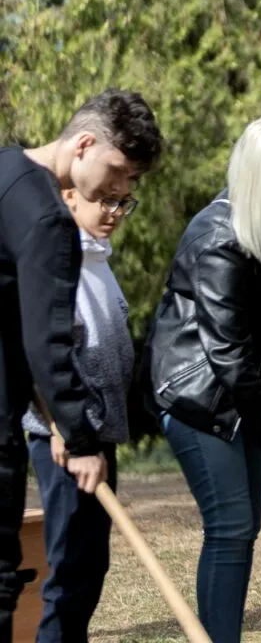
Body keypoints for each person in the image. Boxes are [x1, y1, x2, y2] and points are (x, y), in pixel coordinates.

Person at [146, 113, 261, 643]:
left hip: (239, 393)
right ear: (251, 179)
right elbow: (227, 354)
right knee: (230, 526)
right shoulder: (217, 236)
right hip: (197, 394)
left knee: (242, 531)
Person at [0, 89, 162, 640]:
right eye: (117, 171)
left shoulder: (5, 171)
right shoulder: (50, 222)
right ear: (84, 144)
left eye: (131, 183)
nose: (119, 191)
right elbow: (46, 339)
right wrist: (76, 432)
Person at [22, 181, 138, 641]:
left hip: (99, 433)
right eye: (102, 200)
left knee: (91, 566)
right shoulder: (54, 262)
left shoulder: (97, 259)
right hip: (65, 439)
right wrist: (57, 426)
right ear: (69, 196)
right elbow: (39, 350)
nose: (113, 212)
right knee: (69, 567)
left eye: (122, 202)